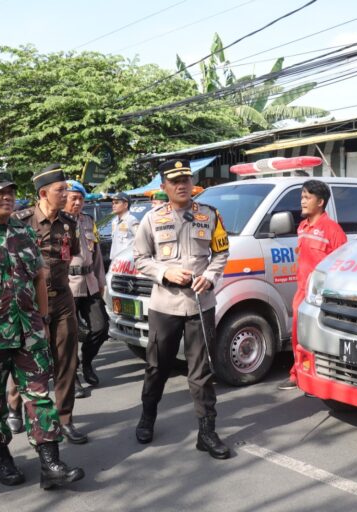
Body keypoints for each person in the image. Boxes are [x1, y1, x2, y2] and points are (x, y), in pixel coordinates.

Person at [0, 169, 84, 488]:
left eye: (10, 191)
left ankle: (50, 463)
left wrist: (43, 321)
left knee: (40, 397)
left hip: (28, 333)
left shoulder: (24, 232)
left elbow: (38, 277)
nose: (7, 196)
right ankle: (1, 458)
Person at [132, 158, 230, 459]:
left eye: (186, 179)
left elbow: (221, 252)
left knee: (201, 371)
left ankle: (207, 431)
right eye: (175, 181)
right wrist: (165, 273)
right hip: (165, 306)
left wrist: (210, 278)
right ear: (164, 187)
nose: (182, 185)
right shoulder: (151, 219)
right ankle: (147, 417)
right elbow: (140, 259)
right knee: (157, 367)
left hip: (201, 305)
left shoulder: (210, 215)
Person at [12, 163, 87, 444]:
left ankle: (65, 418)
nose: (66, 193)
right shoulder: (21, 222)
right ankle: (14, 405)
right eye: (60, 189)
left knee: (66, 360)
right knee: (27, 359)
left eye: (66, 188)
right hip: (30, 303)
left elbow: (73, 254)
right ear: (43, 192)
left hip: (63, 300)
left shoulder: (69, 223)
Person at [278, 179, 347, 391]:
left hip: (321, 296)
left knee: (318, 339)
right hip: (302, 293)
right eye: (302, 197)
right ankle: (297, 374)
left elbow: (341, 265)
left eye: (307, 197)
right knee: (298, 337)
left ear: (320, 202)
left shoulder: (332, 230)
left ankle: (317, 379)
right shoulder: (302, 226)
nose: (302, 201)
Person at [64, 180, 108, 388]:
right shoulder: (58, 223)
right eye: (74, 198)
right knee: (69, 334)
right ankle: (72, 377)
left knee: (101, 327)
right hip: (68, 285)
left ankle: (87, 362)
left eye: (81, 199)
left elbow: (97, 256)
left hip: (90, 282)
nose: (78, 202)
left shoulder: (89, 221)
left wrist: (101, 283)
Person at [110, 191, 139, 259]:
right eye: (113, 203)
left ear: (126, 205)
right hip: (116, 261)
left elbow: (140, 240)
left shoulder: (131, 220)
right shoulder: (114, 221)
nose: (113, 205)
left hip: (127, 261)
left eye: (116, 203)